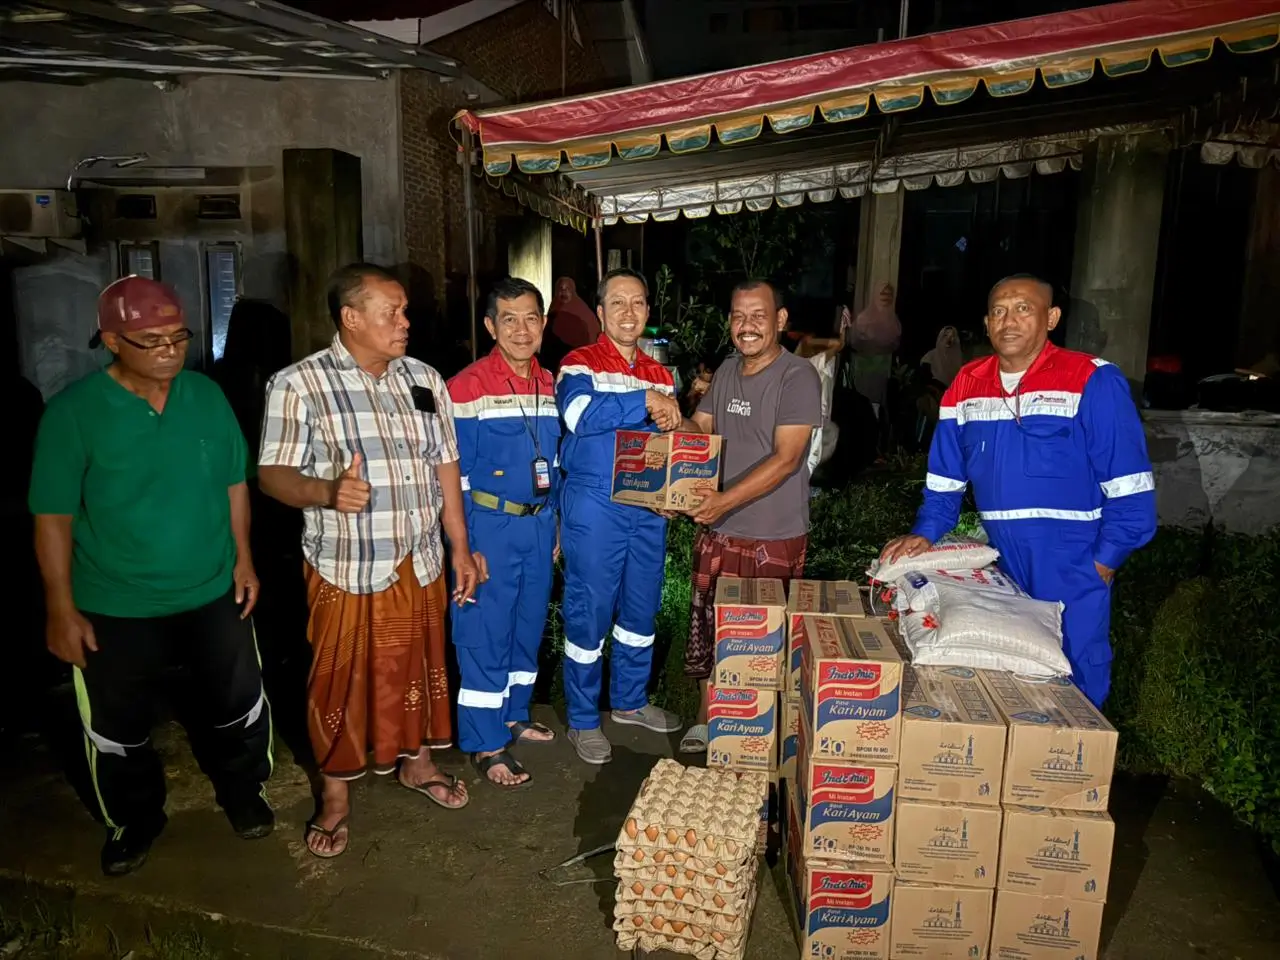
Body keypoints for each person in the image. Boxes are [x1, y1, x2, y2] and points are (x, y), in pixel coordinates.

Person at [29, 276, 272, 877]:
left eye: (177, 337)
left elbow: (234, 484)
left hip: (212, 587)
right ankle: (134, 820)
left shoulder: (206, 396)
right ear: (112, 341)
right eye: (151, 340)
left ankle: (244, 792)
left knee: (238, 704)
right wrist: (60, 607)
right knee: (117, 729)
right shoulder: (73, 414)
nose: (169, 349)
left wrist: (243, 558)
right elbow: (53, 517)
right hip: (113, 600)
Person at [258, 263, 482, 858]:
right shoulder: (299, 384)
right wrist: (326, 491)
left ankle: (417, 763)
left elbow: (445, 466)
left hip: (419, 560)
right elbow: (272, 473)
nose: (405, 322)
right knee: (340, 680)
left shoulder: (425, 379)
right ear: (351, 318)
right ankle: (335, 795)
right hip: (348, 565)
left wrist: (460, 546)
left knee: (419, 670)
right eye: (392, 312)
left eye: (405, 311)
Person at [880, 274, 1156, 707]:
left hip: (1073, 558)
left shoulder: (1092, 379)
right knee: (1010, 674)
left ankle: (1079, 747)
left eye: (1024, 309)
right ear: (986, 323)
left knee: (1077, 669)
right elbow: (945, 479)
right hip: (1002, 560)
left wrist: (1105, 560)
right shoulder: (966, 384)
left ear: (1052, 318)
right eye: (999, 311)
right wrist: (926, 531)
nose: (1009, 321)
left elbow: (1131, 486)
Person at [675, 281, 823, 752]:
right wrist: (672, 422)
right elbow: (700, 429)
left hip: (772, 535)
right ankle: (707, 719)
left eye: (758, 315)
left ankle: (758, 738)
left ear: (780, 319)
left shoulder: (797, 376)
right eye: (738, 316)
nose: (747, 326)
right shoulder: (725, 371)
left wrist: (723, 501)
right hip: (719, 530)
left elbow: (787, 458)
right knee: (710, 627)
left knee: (762, 644)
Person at [556, 267, 684, 764]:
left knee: (640, 609)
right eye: (617, 303)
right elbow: (578, 416)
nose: (629, 313)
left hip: (647, 508)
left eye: (638, 303)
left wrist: (675, 488)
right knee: (589, 610)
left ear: (648, 310)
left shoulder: (661, 373)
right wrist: (643, 400)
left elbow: (669, 442)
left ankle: (630, 701)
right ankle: (583, 719)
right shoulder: (579, 363)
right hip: (595, 504)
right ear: (600, 312)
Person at [446, 277, 560, 788]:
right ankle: (484, 741)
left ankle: (513, 714)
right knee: (483, 631)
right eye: (509, 319)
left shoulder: (550, 383)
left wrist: (554, 523)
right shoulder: (466, 387)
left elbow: (555, 461)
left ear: (543, 323)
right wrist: (465, 545)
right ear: (491, 326)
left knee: (526, 626)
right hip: (488, 526)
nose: (521, 329)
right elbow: (453, 476)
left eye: (531, 318)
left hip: (537, 525)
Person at [543, 276, 601, 371]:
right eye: (561, 289)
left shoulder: (584, 313)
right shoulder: (553, 312)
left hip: (580, 364)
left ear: (573, 291)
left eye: (567, 289)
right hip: (554, 366)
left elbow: (593, 338)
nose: (564, 292)